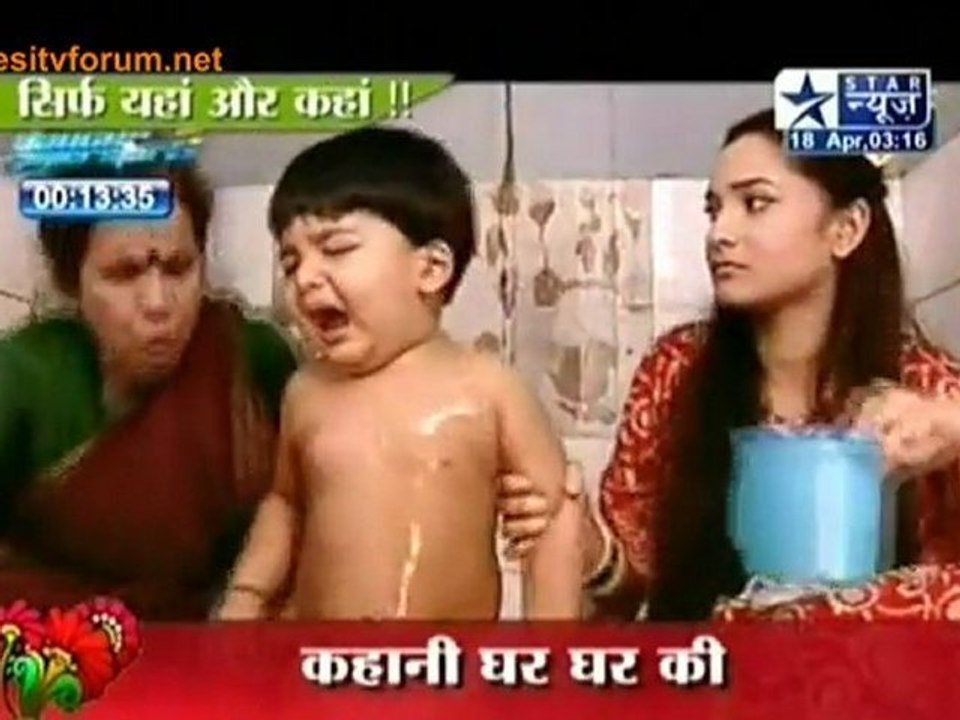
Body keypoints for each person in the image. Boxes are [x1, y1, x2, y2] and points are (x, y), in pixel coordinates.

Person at [498, 107, 960, 621]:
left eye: (755, 203)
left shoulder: (929, 391)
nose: (720, 232)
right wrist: (595, 553)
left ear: (846, 228)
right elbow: (633, 592)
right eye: (714, 209)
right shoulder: (675, 370)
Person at [215, 127, 581, 621]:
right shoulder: (307, 392)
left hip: (446, 659)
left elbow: (552, 521)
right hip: (318, 655)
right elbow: (285, 504)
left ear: (430, 269)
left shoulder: (489, 389)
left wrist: (553, 649)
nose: (304, 278)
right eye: (291, 260)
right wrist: (248, 594)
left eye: (336, 248)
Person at [0, 160, 299, 620]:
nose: (159, 303)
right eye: (123, 274)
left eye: (179, 269)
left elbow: (304, 512)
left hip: (222, 634)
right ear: (71, 280)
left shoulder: (246, 356)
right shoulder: (22, 375)